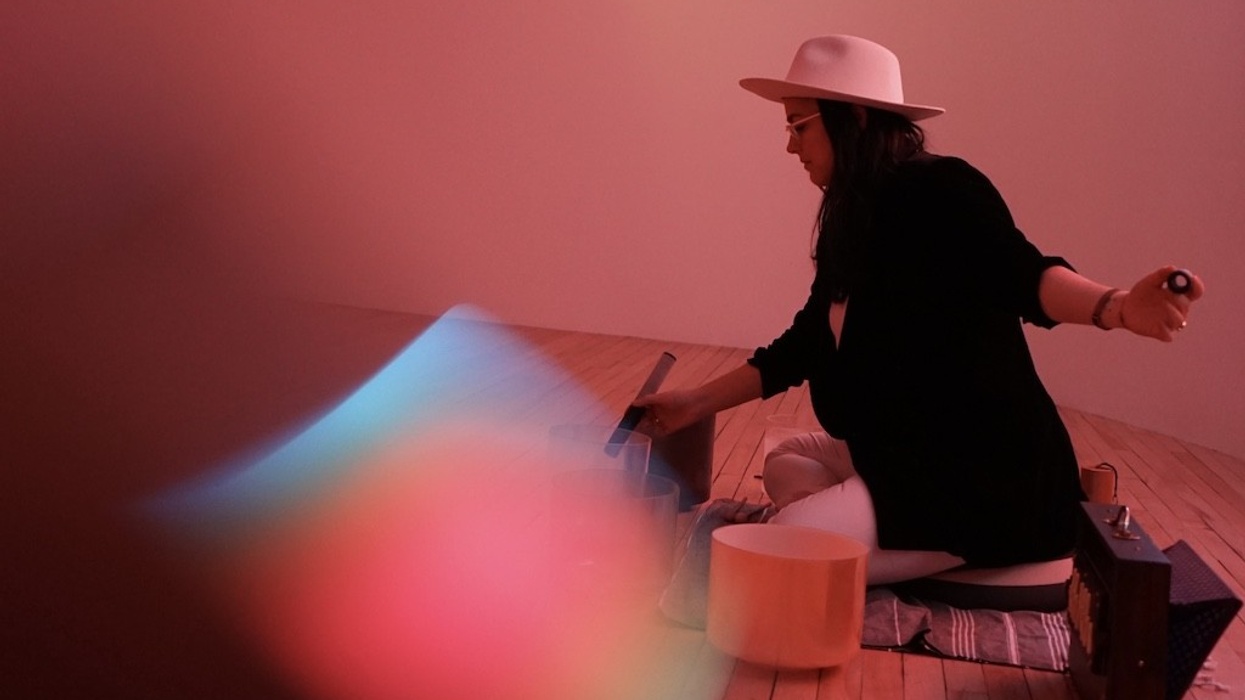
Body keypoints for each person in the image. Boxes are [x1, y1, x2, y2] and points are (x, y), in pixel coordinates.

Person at [635, 35, 1204, 585]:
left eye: (798, 125)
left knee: (771, 556)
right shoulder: (850, 214)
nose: (790, 145)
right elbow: (807, 341)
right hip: (897, 452)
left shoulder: (945, 191)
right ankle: (880, 538)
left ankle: (941, 546)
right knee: (785, 465)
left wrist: (1118, 305)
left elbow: (1024, 275)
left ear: (854, 118)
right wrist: (695, 402)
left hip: (976, 476)